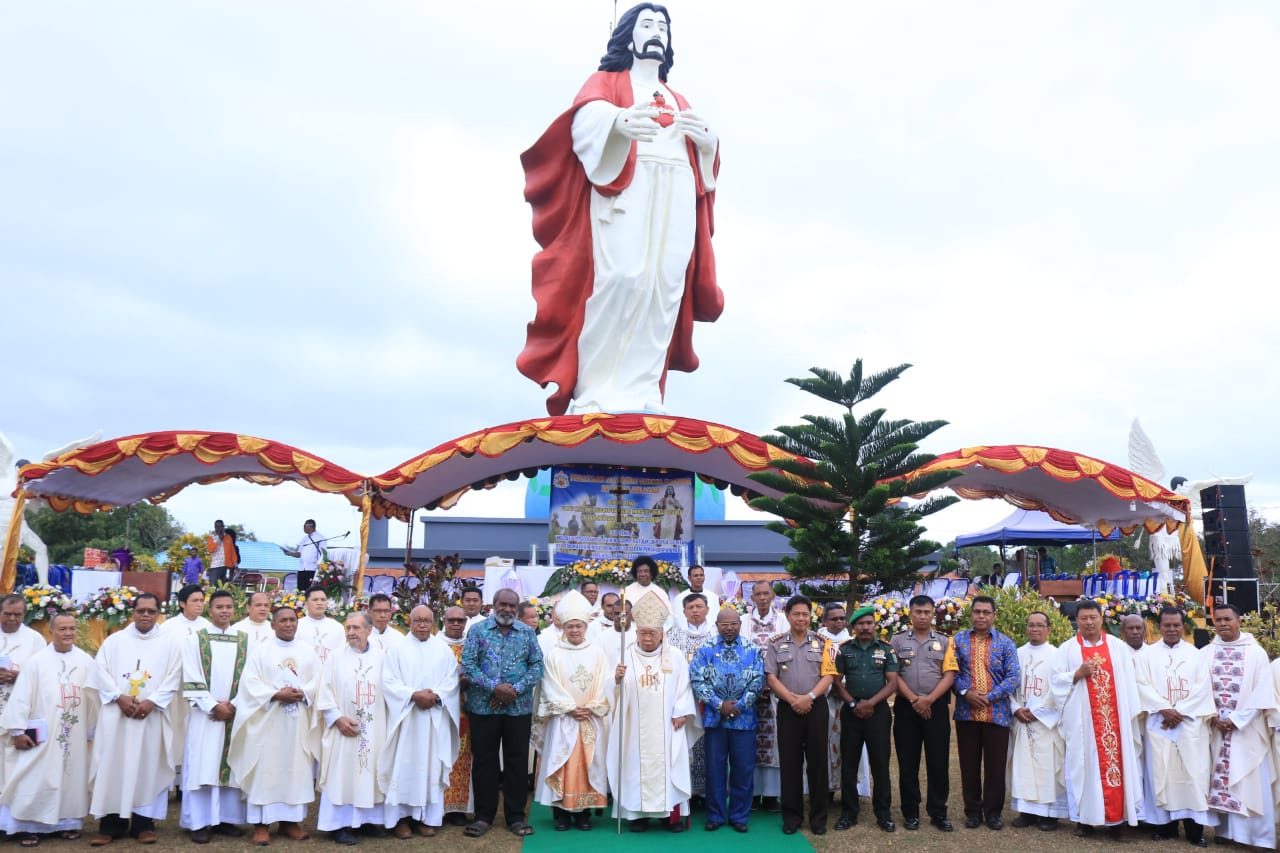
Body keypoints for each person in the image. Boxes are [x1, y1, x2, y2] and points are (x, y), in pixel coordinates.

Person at [518, 1, 722, 416]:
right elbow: (584, 121)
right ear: (629, 34)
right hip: (628, 190)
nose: (657, 32)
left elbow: (707, 159)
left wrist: (708, 143)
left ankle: (645, 388)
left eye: (663, 26)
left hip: (675, 192)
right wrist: (617, 123)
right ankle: (596, 389)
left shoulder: (677, 97)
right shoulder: (608, 83)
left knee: (663, 286)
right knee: (623, 278)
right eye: (647, 24)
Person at [87, 592, 183, 846]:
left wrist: (152, 702)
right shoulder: (115, 641)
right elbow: (100, 673)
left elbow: (175, 677)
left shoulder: (170, 643)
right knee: (113, 765)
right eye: (141, 611)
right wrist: (119, 698)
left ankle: (143, 824)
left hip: (150, 717)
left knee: (147, 767)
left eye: (151, 611)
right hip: (117, 716)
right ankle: (110, 825)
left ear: (158, 614)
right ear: (133, 612)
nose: (146, 616)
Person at [0, 612, 99, 846]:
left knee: (70, 776)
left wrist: (93, 729)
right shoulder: (36, 662)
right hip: (41, 732)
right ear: (51, 632)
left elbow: (94, 696)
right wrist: (17, 731)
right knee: (34, 776)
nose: (67, 633)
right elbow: (22, 697)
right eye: (62, 629)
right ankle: (28, 826)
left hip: (73, 733)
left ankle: (67, 823)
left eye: (72, 629)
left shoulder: (86, 661)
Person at [227, 605, 322, 846]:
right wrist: (275, 694)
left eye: (292, 620)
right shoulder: (261, 651)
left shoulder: (307, 652)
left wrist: (304, 692)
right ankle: (261, 825)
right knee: (266, 770)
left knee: (296, 770)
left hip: (297, 721)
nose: (289, 624)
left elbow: (319, 681)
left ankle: (291, 822)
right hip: (267, 723)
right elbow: (249, 685)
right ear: (273, 625)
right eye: (283, 620)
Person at [608, 589, 699, 831]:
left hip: (668, 725)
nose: (647, 638)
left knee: (670, 766)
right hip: (635, 726)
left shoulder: (675, 657)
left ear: (662, 634)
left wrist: (681, 711)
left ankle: (671, 817)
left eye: (652, 633)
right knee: (635, 767)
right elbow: (613, 693)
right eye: (643, 633)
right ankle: (638, 816)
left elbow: (684, 686)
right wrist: (616, 680)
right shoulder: (625, 655)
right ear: (635, 632)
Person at [1050, 598, 1142, 837]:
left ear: (1102, 618)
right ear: (1076, 621)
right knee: (1082, 767)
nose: (1089, 622)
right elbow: (1055, 681)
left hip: (1115, 721)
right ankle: (1085, 820)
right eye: (1083, 618)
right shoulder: (1067, 649)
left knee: (1118, 765)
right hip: (1083, 723)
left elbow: (1130, 682)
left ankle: (1118, 821)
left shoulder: (1117, 647)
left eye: (1093, 617)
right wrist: (1077, 673)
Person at [460, 588, 544, 839]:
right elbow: (469, 665)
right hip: (483, 708)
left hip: (517, 709)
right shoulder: (478, 631)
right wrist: (494, 689)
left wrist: (515, 690)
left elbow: (538, 665)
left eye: (512, 605)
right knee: (485, 761)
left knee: (516, 761)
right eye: (503, 604)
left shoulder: (527, 632)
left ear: (517, 608)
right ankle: (484, 816)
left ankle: (515, 817)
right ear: (493, 605)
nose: (507, 609)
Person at [1134, 607, 1213, 847]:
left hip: (1189, 725)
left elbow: (1203, 688)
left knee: (1193, 774)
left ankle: (1194, 829)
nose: (1171, 629)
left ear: (1183, 627)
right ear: (1159, 627)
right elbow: (1141, 685)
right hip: (1160, 723)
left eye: (1176, 625)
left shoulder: (1196, 654)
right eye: (1167, 625)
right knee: (1161, 771)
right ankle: (1165, 826)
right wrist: (1164, 709)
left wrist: (1180, 711)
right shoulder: (1146, 655)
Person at [379, 605, 460, 839]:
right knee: (403, 768)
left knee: (430, 768)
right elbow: (389, 681)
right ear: (409, 622)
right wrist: (414, 695)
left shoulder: (442, 650)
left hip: (433, 718)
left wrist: (435, 695)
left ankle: (425, 818)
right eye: (418, 621)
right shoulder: (397, 649)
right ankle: (401, 820)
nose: (423, 625)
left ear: (434, 623)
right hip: (406, 720)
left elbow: (451, 681)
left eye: (427, 621)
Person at [535, 590, 611, 830]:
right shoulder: (554, 655)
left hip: (590, 717)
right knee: (563, 762)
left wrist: (589, 707)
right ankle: (561, 814)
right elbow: (549, 685)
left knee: (589, 763)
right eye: (570, 627)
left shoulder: (597, 653)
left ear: (585, 626)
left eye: (578, 626)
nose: (575, 630)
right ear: (564, 628)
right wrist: (569, 708)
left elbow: (604, 683)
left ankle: (583, 813)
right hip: (563, 720)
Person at [1203, 603, 1276, 849]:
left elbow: (1263, 692)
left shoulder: (1256, 653)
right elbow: (1200, 689)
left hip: (1246, 727)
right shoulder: (1207, 652)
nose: (1223, 624)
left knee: (1249, 777)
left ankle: (1257, 837)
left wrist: (1236, 719)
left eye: (1228, 619)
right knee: (1220, 778)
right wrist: (1212, 715)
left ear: (1239, 621)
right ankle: (1225, 832)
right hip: (1216, 726)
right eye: (1219, 620)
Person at [179, 588, 248, 843]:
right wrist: (212, 706)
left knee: (229, 766)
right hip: (205, 716)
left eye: (229, 607)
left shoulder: (245, 639)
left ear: (234, 610)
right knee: (202, 766)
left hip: (233, 714)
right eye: (219, 607)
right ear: (210, 610)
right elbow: (192, 675)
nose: (225, 611)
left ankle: (226, 820)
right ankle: (198, 822)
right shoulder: (196, 639)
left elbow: (250, 678)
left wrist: (234, 705)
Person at [766, 594, 836, 836]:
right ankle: (792, 817)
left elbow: (828, 675)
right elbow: (771, 677)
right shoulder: (775, 643)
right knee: (790, 763)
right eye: (796, 614)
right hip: (788, 707)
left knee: (817, 762)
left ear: (811, 616)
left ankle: (818, 818)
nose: (801, 618)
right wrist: (793, 699)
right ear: (787, 615)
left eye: (805, 614)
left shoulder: (823, 642)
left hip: (815, 706)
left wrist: (809, 698)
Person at [315, 612, 386, 845]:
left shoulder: (382, 657)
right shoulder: (335, 657)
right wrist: (337, 719)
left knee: (370, 770)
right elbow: (323, 692)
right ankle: (340, 824)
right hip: (343, 727)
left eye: (356, 628)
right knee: (341, 773)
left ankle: (367, 820)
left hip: (373, 728)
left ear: (369, 630)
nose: (351, 632)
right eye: (348, 628)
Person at [890, 594, 958, 832]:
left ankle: (938, 812)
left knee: (938, 761)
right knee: (907, 762)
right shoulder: (896, 641)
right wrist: (914, 699)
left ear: (933, 614)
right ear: (910, 614)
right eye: (918, 612)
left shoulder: (945, 641)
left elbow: (949, 674)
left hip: (936, 706)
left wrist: (928, 699)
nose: (922, 616)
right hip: (906, 706)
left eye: (927, 612)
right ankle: (911, 813)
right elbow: (893, 675)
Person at [690, 607, 762, 833]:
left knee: (743, 769)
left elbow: (759, 680)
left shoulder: (753, 649)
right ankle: (716, 815)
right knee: (715, 769)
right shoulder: (705, 650)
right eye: (724, 624)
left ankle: (740, 816)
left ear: (740, 624)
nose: (729, 628)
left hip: (744, 720)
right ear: (717, 625)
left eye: (733, 624)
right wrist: (719, 705)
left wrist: (739, 705)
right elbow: (696, 679)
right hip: (715, 719)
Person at [951, 594, 1019, 830]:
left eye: (985, 612)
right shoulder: (958, 641)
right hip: (966, 713)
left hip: (997, 714)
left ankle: (992, 813)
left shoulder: (1006, 643)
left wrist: (988, 697)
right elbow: (952, 672)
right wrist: (965, 692)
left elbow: (1013, 678)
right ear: (971, 614)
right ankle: (972, 812)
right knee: (968, 765)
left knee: (995, 766)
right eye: (977, 612)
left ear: (993, 615)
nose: (981, 616)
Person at [833, 605, 899, 833]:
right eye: (861, 624)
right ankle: (849, 814)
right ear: (853, 627)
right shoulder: (844, 650)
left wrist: (871, 703)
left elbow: (892, 682)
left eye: (869, 623)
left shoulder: (886, 650)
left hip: (878, 713)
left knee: (880, 764)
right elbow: (836, 681)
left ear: (875, 625)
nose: (865, 627)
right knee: (848, 765)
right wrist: (853, 703)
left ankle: (884, 815)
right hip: (851, 712)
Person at [1008, 611, 1067, 831]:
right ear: (1026, 628)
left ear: (1049, 629)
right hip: (1021, 718)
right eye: (1031, 625)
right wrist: (1016, 709)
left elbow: (1059, 688)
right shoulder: (1017, 653)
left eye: (1040, 625)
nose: (1035, 629)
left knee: (1047, 764)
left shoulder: (1057, 655)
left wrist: (1038, 711)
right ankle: (1027, 812)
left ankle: (1049, 815)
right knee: (1024, 764)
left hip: (1046, 720)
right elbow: (1009, 684)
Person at [0, 593, 48, 798]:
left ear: (24, 614)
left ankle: (9, 819)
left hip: (19, 712)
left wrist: (22, 676)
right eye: (7, 614)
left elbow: (45, 673)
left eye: (17, 615)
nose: (12, 619)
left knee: (13, 765)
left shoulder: (35, 640)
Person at [745, 582, 785, 811]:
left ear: (773, 596)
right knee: (747, 743)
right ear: (752, 597)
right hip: (748, 693)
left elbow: (787, 653)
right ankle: (751, 794)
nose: (762, 598)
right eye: (758, 594)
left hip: (775, 692)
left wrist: (772, 682)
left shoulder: (782, 621)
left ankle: (770, 795)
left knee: (774, 742)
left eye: (765, 594)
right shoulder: (743, 621)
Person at [437, 607, 473, 825]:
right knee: (441, 757)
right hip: (442, 712)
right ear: (444, 620)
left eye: (461, 620)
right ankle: (438, 807)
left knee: (463, 758)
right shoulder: (435, 645)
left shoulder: (470, 645)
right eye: (452, 620)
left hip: (466, 711)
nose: (457, 624)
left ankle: (458, 809)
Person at [295, 585, 344, 665]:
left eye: (323, 600)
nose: (319, 603)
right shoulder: (297, 626)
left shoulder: (337, 627)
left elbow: (341, 655)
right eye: (315, 600)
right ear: (306, 604)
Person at [280, 519, 325, 587]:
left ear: (311, 526)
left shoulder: (320, 538)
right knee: (300, 591)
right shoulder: (304, 539)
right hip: (302, 569)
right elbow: (299, 554)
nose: (303, 528)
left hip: (313, 569)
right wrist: (290, 553)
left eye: (304, 526)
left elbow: (323, 554)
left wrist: (320, 569)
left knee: (310, 590)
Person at [673, 565, 719, 629]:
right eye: (696, 575)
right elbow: (678, 620)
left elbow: (716, 618)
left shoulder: (713, 597)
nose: (699, 577)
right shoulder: (679, 598)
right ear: (689, 578)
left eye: (701, 575)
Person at [206, 520, 238, 586]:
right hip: (215, 566)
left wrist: (235, 565)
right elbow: (210, 550)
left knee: (225, 586)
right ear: (215, 527)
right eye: (217, 527)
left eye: (220, 526)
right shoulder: (211, 537)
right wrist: (219, 540)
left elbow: (232, 552)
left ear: (223, 527)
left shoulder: (228, 537)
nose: (219, 528)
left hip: (227, 566)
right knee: (213, 586)